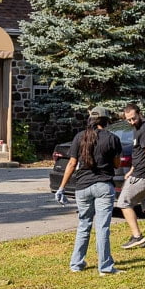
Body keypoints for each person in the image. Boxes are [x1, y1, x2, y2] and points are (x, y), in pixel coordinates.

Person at [56, 106, 124, 276]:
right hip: (103, 186)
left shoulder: (80, 137)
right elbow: (117, 164)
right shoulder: (112, 138)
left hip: (82, 187)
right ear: (106, 120)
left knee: (83, 225)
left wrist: (62, 187)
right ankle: (105, 267)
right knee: (102, 227)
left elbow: (72, 163)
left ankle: (76, 264)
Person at [118, 102, 145, 249]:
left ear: (140, 114)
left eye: (134, 118)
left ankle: (137, 236)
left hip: (143, 176)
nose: (131, 122)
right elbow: (139, 153)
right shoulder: (138, 129)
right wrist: (131, 170)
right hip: (141, 173)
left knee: (123, 202)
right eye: (128, 119)